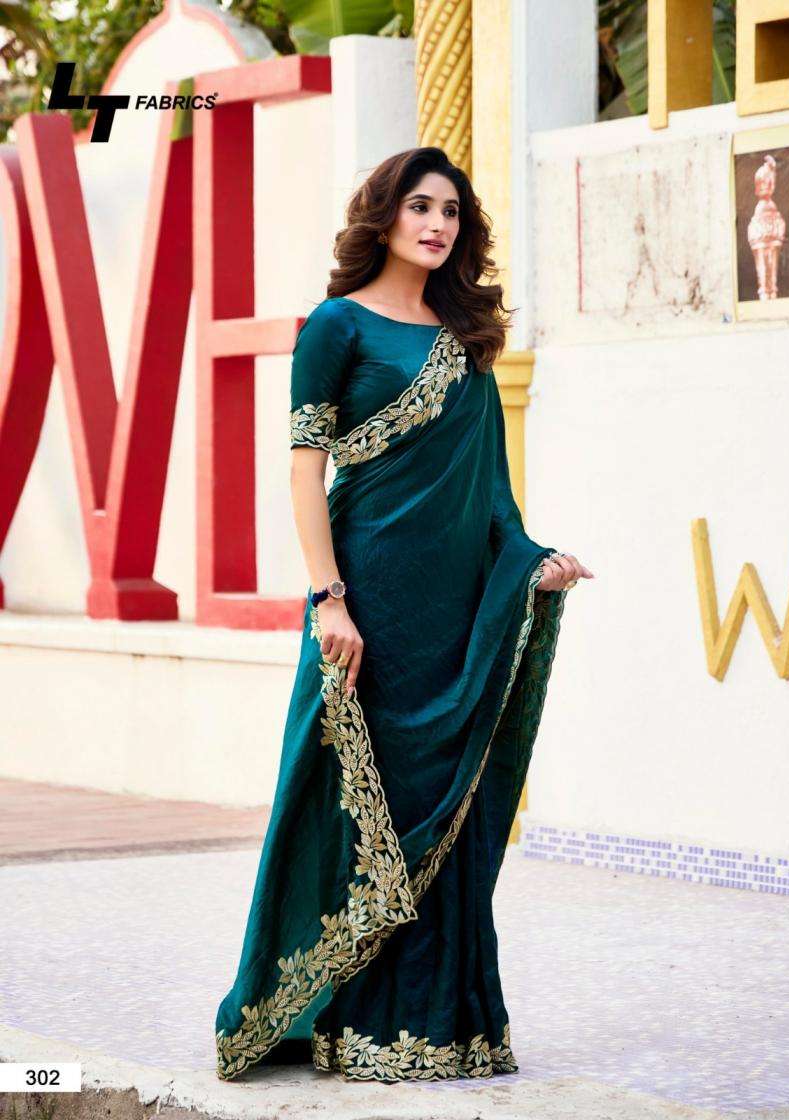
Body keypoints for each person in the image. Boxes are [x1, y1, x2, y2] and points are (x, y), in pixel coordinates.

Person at [214, 145, 594, 1083]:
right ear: (383, 215)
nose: (436, 225)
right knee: (356, 802)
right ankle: (338, 1019)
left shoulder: (464, 337)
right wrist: (327, 598)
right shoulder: (336, 326)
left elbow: (490, 491)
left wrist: (530, 565)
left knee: (443, 801)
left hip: (450, 611)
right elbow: (304, 473)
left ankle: (440, 1025)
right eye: (420, 206)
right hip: (368, 602)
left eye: (451, 212)